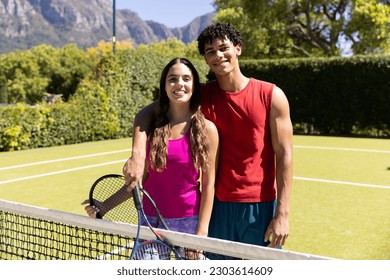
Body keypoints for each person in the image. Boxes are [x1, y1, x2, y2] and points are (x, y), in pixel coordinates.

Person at [123, 23, 293, 259]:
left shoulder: (272, 95)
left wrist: (282, 214)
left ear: (238, 49)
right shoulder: (200, 95)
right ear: (205, 59)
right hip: (217, 209)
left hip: (259, 207)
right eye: (210, 52)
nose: (218, 55)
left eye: (223, 48)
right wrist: (137, 153)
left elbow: (285, 156)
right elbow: (147, 113)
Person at [83, 58, 219, 241]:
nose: (179, 84)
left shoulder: (207, 129)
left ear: (194, 84)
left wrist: (201, 234)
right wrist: (105, 206)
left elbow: (209, 186)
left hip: (188, 221)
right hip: (149, 221)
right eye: (173, 79)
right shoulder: (152, 128)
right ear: (164, 85)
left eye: (186, 79)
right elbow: (139, 181)